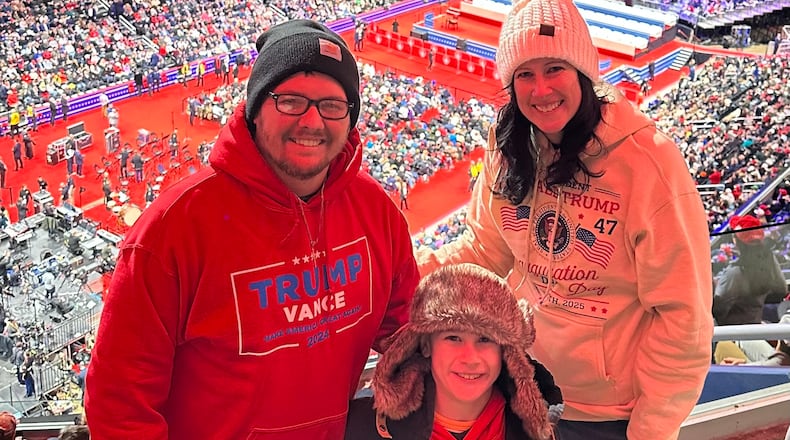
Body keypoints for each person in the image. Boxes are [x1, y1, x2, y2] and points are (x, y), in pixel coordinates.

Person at [85, 19, 420, 439]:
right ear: (255, 108)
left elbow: (407, 330)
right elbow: (119, 401)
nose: (312, 122)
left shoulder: (376, 211)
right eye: (291, 101)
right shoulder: (174, 228)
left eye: (333, 105)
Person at [417, 0, 713, 438]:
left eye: (555, 68)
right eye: (525, 74)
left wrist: (652, 428)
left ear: (583, 72)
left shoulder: (648, 162)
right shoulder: (507, 148)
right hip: (521, 387)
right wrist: (398, 270)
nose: (541, 90)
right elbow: (484, 252)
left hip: (607, 414)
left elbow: (682, 314)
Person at [345, 264, 561, 440]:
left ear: (505, 351)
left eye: (485, 339)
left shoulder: (537, 430)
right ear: (426, 345)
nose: (470, 357)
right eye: (453, 338)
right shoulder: (361, 427)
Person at [712, 215, 785, 363]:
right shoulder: (769, 265)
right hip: (755, 325)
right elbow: (781, 289)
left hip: (733, 335)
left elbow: (716, 310)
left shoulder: (734, 274)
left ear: (736, 241)